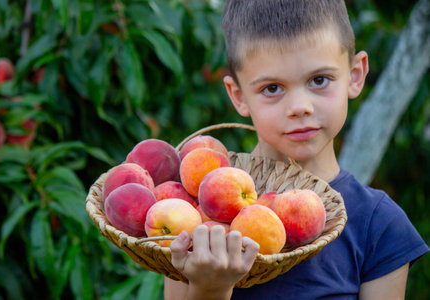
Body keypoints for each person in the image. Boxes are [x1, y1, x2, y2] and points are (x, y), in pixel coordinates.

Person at [164, 0, 429, 299]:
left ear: (355, 75)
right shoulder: (197, 213)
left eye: (319, 80)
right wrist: (209, 289)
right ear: (239, 97)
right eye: (272, 88)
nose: (299, 107)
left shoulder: (379, 226)